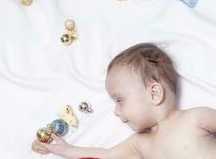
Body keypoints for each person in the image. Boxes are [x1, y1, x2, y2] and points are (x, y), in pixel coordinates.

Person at [32, 43, 216, 159]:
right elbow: (106, 155)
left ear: (154, 93)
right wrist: (67, 151)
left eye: (120, 100)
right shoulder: (139, 142)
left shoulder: (196, 118)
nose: (116, 112)